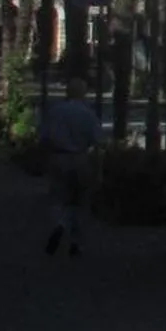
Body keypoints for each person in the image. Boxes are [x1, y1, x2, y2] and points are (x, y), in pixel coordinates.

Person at [38, 77, 102, 257]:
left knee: (58, 197)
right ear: (84, 93)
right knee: (80, 201)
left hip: (58, 157)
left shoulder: (55, 111)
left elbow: (43, 137)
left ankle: (60, 223)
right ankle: (76, 242)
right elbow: (97, 141)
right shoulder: (88, 114)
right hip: (80, 158)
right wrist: (98, 168)